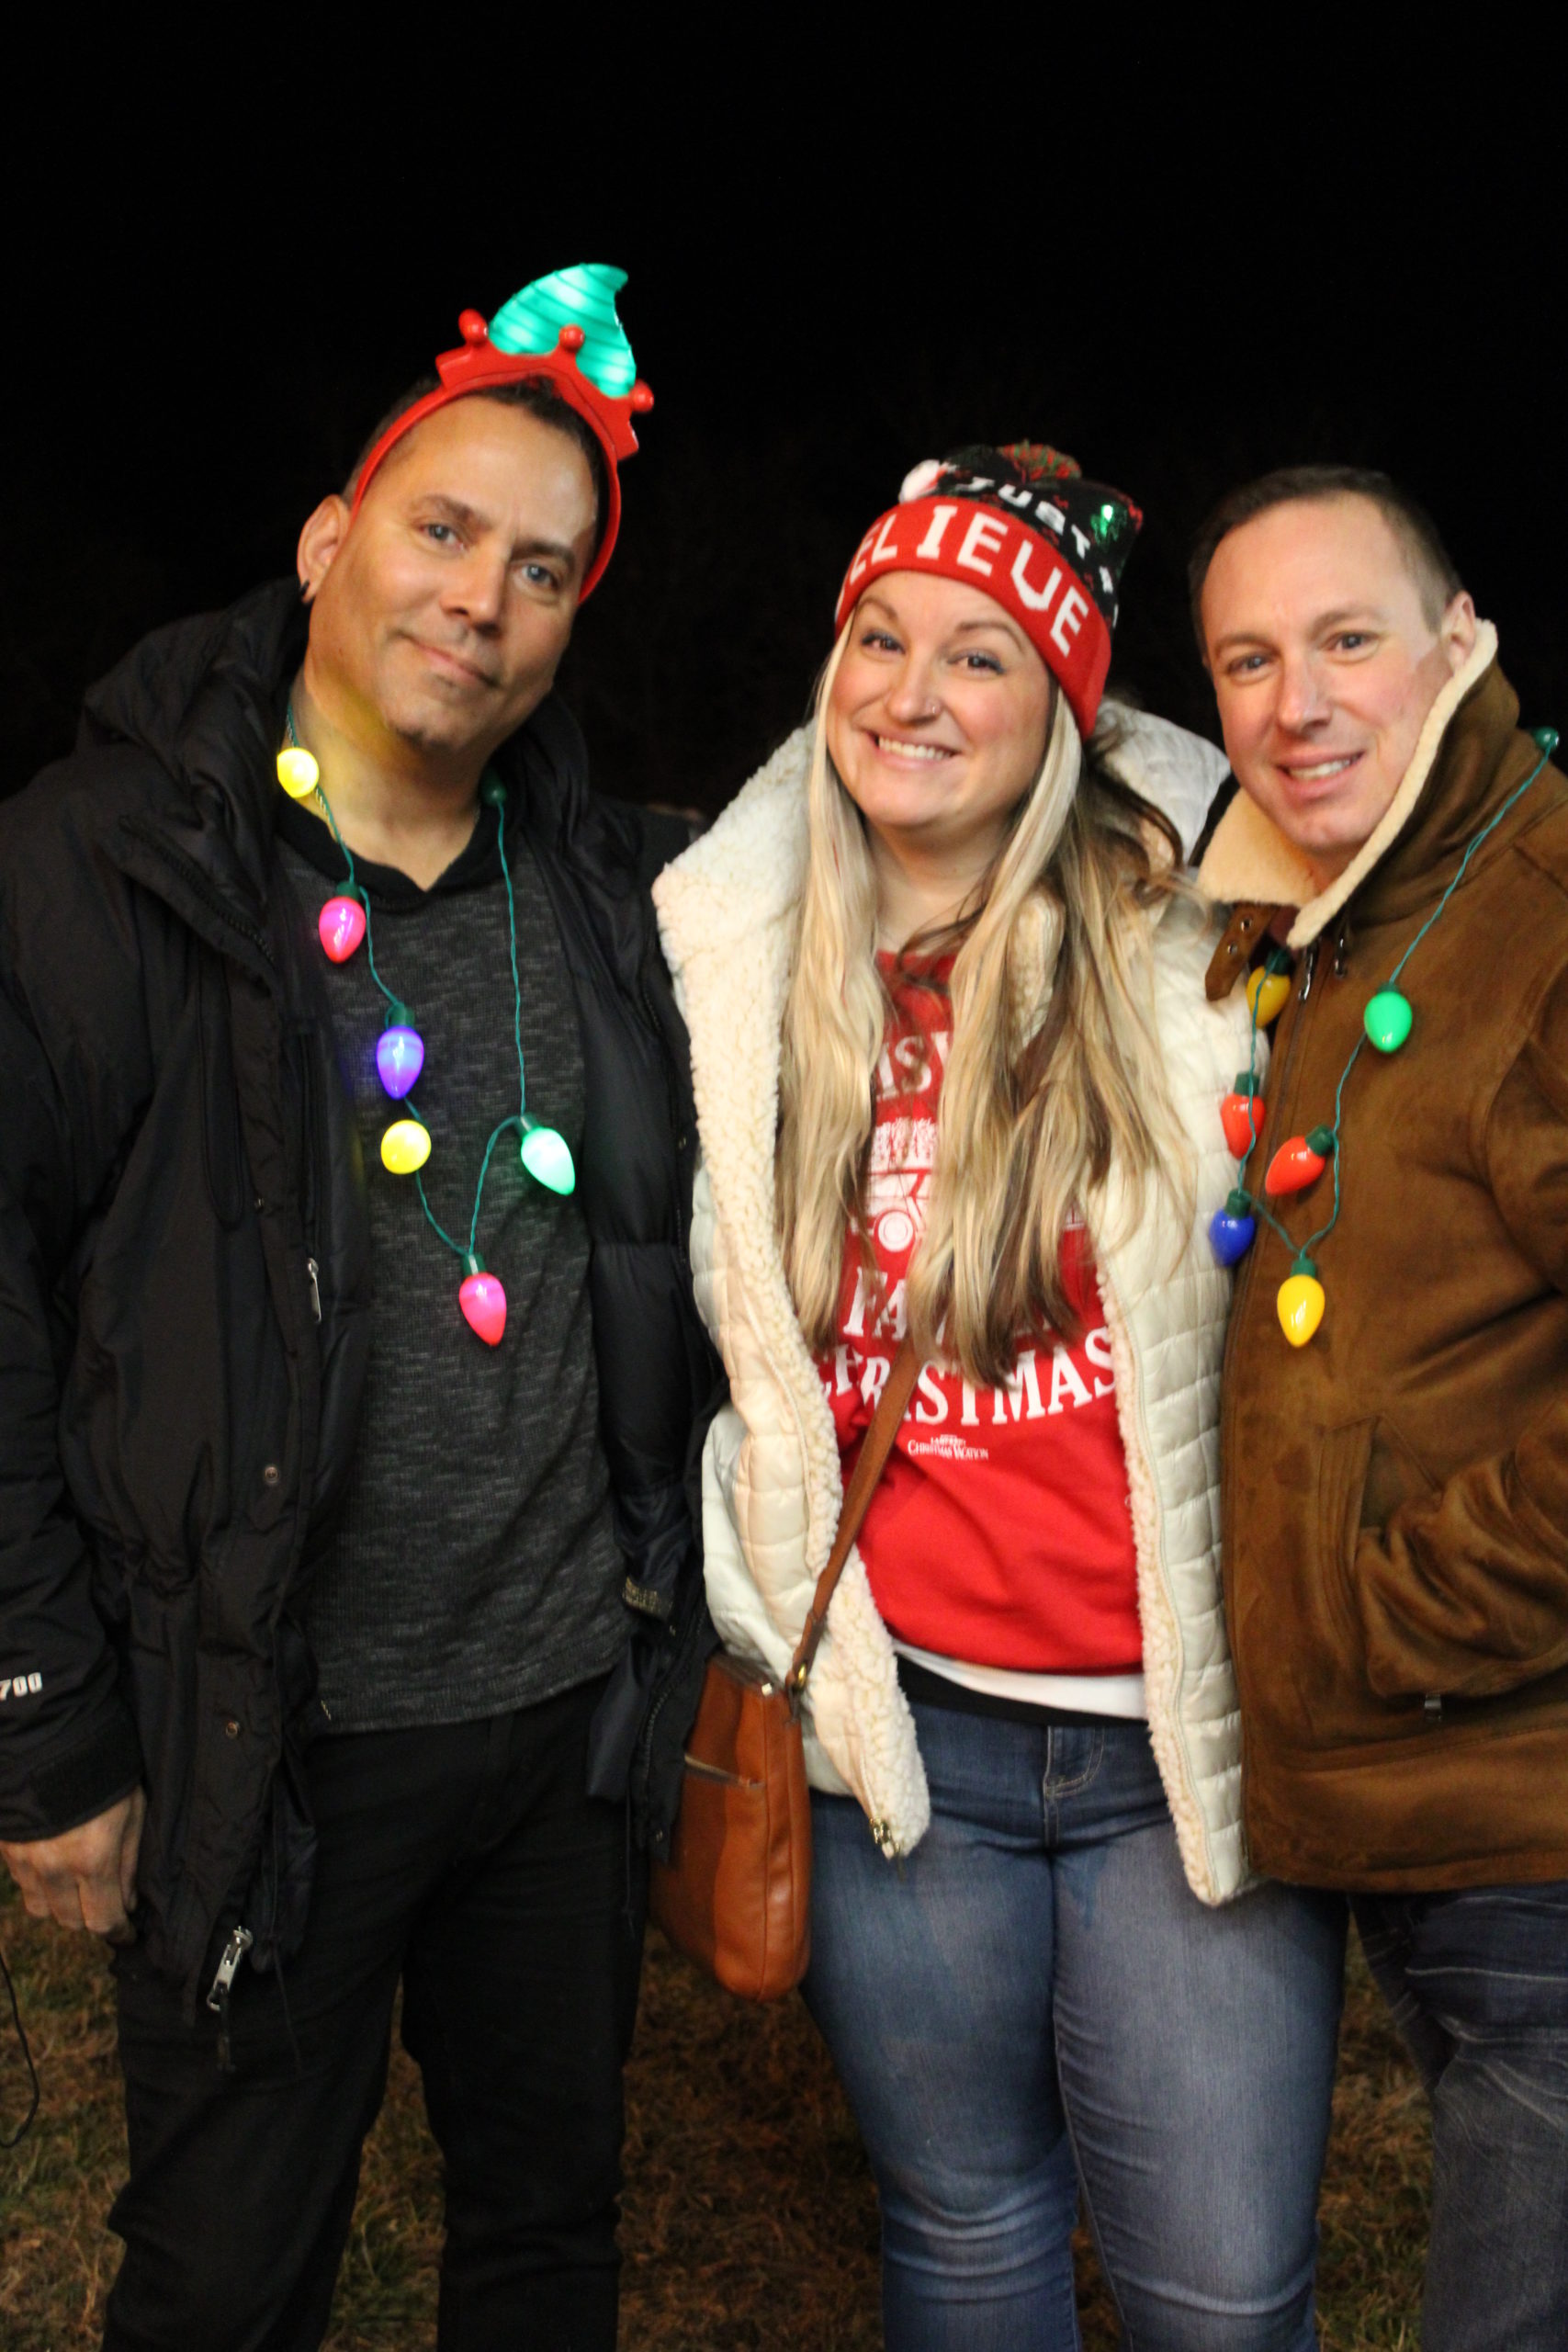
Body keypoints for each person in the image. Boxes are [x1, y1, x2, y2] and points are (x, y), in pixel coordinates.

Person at [0, 262, 715, 2351]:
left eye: (547, 570)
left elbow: (910, 797)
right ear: (331, 540)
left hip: (555, 1731)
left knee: (541, 2234)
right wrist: (45, 1727)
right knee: (224, 2287)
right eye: (445, 530)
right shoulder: (101, 869)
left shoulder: (597, 890)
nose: (483, 597)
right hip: (265, 1733)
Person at [654, 443, 1347, 2350]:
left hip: (1161, 1743)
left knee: (1216, 2295)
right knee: (962, 2233)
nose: (909, 689)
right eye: (878, 637)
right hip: (905, 1744)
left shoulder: (1203, 932)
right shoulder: (740, 966)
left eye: (978, 654)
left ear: (1061, 706)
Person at [1192, 464, 1568, 2352]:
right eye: (1244, 659)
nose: (1294, 700)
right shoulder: (1324, 921)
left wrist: (1402, 1607)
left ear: (1453, 640)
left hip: (1524, 1803)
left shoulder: (1541, 900)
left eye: (1344, 638)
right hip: (1395, 1816)